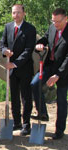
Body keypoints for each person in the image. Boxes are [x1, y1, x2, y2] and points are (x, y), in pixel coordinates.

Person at [31, 8, 68, 140]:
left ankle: (59, 130)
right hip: (49, 66)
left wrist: (58, 75)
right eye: (53, 21)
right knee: (35, 84)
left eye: (58, 22)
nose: (55, 24)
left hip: (64, 70)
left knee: (62, 100)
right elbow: (45, 38)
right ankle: (42, 113)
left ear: (66, 19)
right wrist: (40, 44)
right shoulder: (52, 28)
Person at [0, 4, 36, 136]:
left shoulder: (30, 29)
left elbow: (28, 50)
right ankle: (16, 122)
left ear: (24, 13)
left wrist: (15, 64)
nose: (16, 15)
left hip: (24, 68)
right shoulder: (8, 27)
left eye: (19, 13)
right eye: (14, 13)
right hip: (12, 70)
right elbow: (2, 43)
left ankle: (26, 124)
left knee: (26, 97)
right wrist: (5, 51)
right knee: (13, 96)